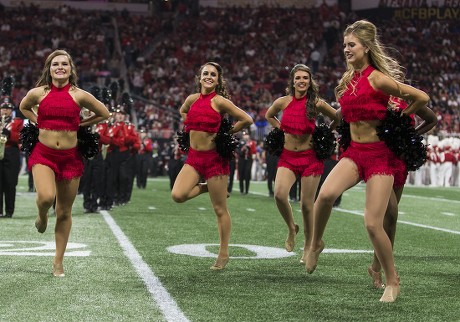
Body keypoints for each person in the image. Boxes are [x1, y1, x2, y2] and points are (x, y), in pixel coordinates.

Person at [304, 20, 430, 303]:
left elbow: (422, 98)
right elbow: (345, 116)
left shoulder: (377, 78)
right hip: (355, 155)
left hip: (380, 157)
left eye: (352, 45)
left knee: (373, 223)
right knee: (324, 196)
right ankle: (316, 243)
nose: (346, 49)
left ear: (366, 47)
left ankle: (392, 280)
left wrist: (399, 116)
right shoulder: (349, 80)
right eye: (345, 45)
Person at [19, 49, 110, 277]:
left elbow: (104, 113)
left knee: (64, 211)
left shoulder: (79, 95)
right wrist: (37, 119)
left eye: (64, 64)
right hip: (44, 154)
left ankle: (58, 261)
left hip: (70, 158)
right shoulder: (38, 93)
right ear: (49, 69)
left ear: (71, 69)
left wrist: (82, 124)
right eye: (55, 64)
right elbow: (23, 107)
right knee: (47, 197)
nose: (60, 67)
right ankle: (41, 215)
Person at [171, 62, 253, 270]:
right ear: (199, 77)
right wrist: (189, 124)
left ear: (218, 80)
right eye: (205, 73)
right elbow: (183, 112)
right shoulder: (191, 99)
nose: (208, 77)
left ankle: (223, 253)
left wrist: (226, 133)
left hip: (215, 159)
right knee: (178, 195)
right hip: (194, 158)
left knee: (219, 209)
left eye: (213, 75)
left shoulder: (220, 101)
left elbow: (247, 119)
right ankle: (210, 187)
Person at [265, 64, 338, 262]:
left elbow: (338, 117)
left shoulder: (316, 103)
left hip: (310, 159)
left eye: (305, 78)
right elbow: (268, 115)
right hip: (288, 157)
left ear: (310, 81)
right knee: (280, 195)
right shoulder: (283, 101)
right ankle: (291, 227)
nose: (301, 81)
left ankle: (309, 245)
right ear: (292, 81)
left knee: (307, 205)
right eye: (298, 78)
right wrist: (280, 128)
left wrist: (326, 132)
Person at [367, 97, 437, 289]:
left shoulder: (407, 97)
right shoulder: (373, 94)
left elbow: (432, 119)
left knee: (389, 220)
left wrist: (412, 134)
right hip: (378, 159)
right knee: (391, 211)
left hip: (400, 162)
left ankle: (376, 267)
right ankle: (389, 271)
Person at [0, 93, 24, 218]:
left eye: (8, 108)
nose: (5, 110)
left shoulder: (17, 122)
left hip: (11, 153)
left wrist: (9, 133)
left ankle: (9, 211)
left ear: (12, 110)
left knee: (10, 183)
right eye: (3, 108)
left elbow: (20, 138)